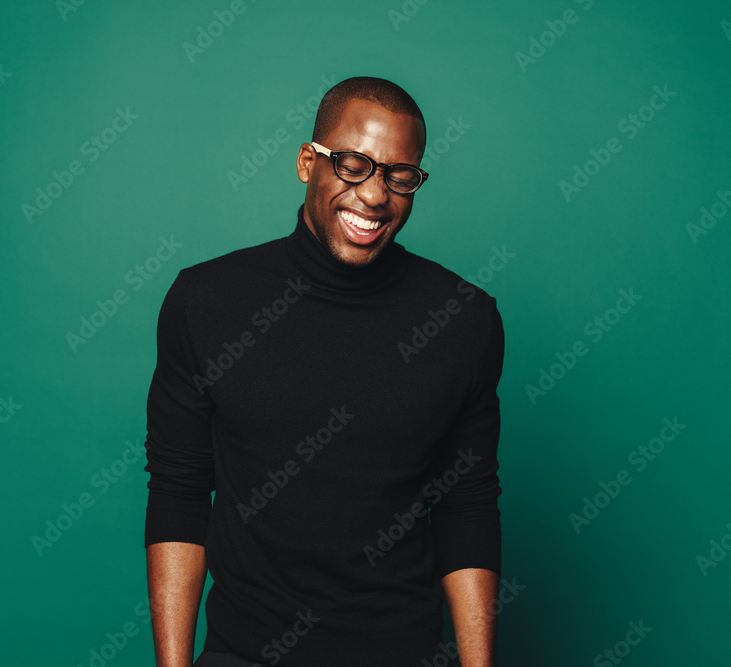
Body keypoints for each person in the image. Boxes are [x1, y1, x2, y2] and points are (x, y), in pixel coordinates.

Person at [144, 76, 504, 667]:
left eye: (399, 175)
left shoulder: (463, 320)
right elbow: (179, 492)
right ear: (308, 163)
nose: (375, 195)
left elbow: (467, 503)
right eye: (355, 165)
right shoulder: (205, 301)